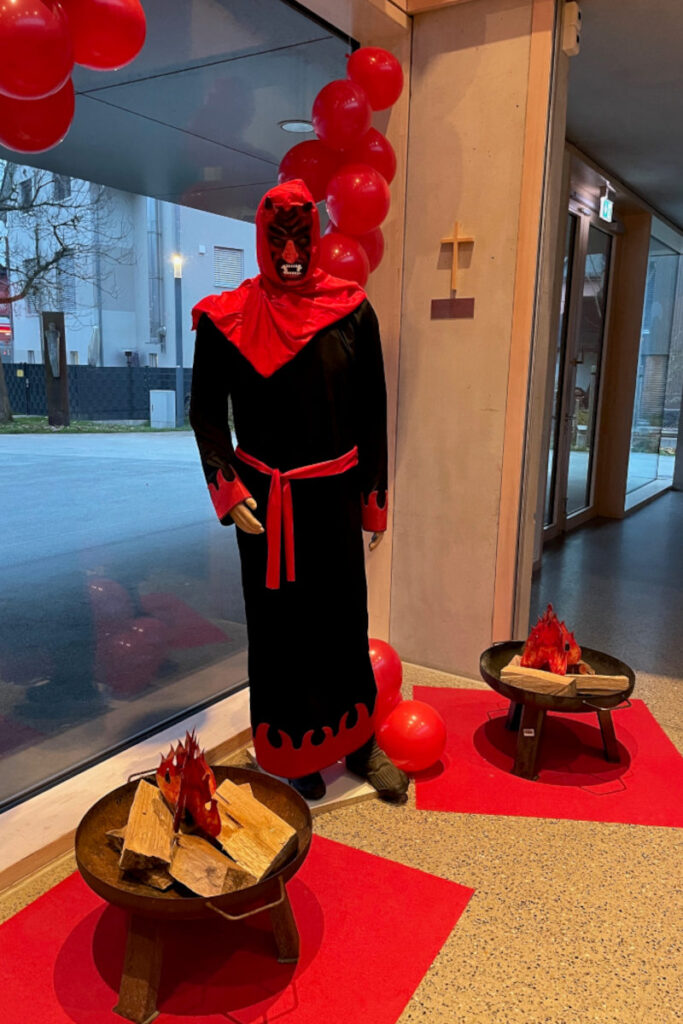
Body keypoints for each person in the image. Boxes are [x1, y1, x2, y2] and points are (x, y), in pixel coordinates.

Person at [189, 179, 408, 803]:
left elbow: (372, 413)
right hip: (266, 504)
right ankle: (294, 747)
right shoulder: (226, 319)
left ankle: (358, 741)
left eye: (300, 238)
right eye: (278, 239)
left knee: (343, 620)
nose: (290, 253)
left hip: (332, 498)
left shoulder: (352, 311)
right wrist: (228, 488)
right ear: (262, 240)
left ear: (314, 238)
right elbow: (206, 414)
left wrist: (373, 501)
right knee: (280, 630)